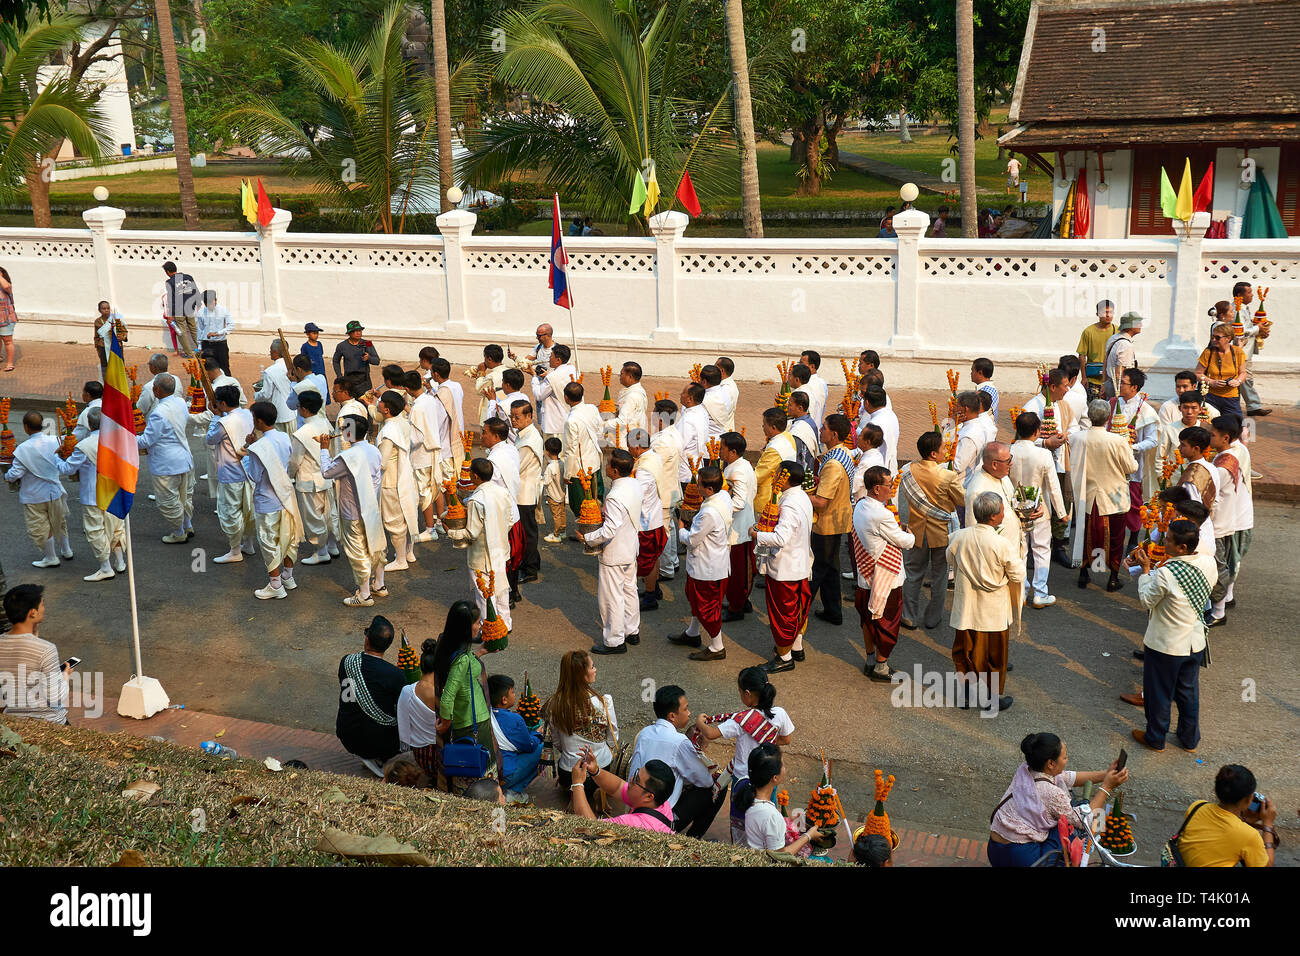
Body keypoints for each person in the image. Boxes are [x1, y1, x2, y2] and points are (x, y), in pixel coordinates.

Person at [1127, 519, 1214, 752]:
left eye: (1168, 540)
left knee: (1159, 694)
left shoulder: (1166, 572)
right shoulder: (1208, 562)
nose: (1164, 542)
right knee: (1188, 693)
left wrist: (1146, 572)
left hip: (1166, 644)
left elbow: (1146, 600)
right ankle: (1189, 739)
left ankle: (1156, 737)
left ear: (1182, 548)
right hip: (1194, 642)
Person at [988, 732, 1128, 866]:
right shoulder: (1051, 793)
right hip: (1022, 858)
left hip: (995, 850)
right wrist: (1107, 787)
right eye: (1065, 757)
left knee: (1063, 818)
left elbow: (1070, 777)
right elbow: (1084, 819)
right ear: (1050, 763)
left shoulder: (1027, 769)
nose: (1067, 760)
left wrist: (1106, 774)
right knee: (1071, 828)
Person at [694, 667, 795, 844]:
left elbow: (710, 734)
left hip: (743, 779)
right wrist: (767, 741)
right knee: (767, 814)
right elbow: (786, 739)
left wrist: (700, 722)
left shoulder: (740, 720)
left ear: (747, 694)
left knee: (741, 820)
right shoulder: (780, 714)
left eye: (740, 692)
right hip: (767, 778)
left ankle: (741, 848)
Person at [947, 491, 1024, 712]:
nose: (1003, 513)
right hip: (993, 614)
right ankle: (992, 699)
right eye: (1001, 510)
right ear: (993, 517)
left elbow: (950, 559)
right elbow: (1018, 576)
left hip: (966, 610)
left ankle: (965, 696)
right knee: (995, 658)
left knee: (964, 654)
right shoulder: (1002, 544)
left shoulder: (958, 537)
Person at [627, 684, 724, 837]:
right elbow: (705, 781)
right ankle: (693, 837)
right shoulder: (679, 742)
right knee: (719, 785)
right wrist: (700, 748)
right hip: (661, 818)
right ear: (672, 716)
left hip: (636, 806)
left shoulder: (645, 733)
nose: (689, 713)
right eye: (685, 709)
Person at [318, 412, 387, 606]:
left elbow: (326, 472)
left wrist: (324, 449)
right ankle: (379, 585)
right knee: (376, 545)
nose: (340, 432)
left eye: (342, 429)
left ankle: (364, 595)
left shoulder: (347, 456)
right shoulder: (374, 450)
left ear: (348, 433)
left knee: (358, 552)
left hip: (353, 511)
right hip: (372, 508)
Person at [1069, 399, 1138, 590]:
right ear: (1108, 418)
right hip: (1113, 496)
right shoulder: (1117, 441)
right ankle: (1113, 578)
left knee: (1085, 535)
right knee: (1115, 539)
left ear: (1089, 417)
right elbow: (1132, 467)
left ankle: (1084, 573)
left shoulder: (1076, 438)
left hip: (1087, 496)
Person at [854, 465, 915, 681]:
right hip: (886, 577)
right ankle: (881, 665)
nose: (892, 489)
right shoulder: (881, 514)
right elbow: (904, 541)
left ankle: (871, 659)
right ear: (877, 488)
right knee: (887, 623)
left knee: (867, 621)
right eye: (889, 486)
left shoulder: (860, 505)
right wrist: (911, 533)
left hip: (864, 574)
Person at [900, 431, 966, 630]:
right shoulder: (948, 475)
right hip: (941, 533)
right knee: (939, 577)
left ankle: (909, 616)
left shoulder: (908, 470)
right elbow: (963, 500)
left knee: (912, 574)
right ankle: (932, 618)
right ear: (933, 454)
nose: (946, 451)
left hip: (916, 531)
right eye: (942, 448)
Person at [431, 601, 498, 793]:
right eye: (477, 622)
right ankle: (483, 800)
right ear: (465, 627)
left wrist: (481, 652)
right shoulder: (461, 660)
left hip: (467, 721)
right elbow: (448, 697)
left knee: (467, 770)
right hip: (473, 724)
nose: (480, 626)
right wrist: (445, 722)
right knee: (482, 769)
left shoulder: (451, 648)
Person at [755, 462, 814, 672]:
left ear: (785, 478)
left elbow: (781, 537)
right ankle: (796, 647)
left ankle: (785, 657)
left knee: (783, 615)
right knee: (797, 610)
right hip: (799, 564)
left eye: (778, 473)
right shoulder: (802, 496)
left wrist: (756, 535)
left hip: (785, 568)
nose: (774, 475)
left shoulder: (789, 503)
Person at [56, 408, 127, 581]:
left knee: (95, 530)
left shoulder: (84, 446)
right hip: (114, 491)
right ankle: (120, 562)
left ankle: (105, 567)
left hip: (93, 494)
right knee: (116, 527)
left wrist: (57, 458)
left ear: (89, 424)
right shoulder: (118, 441)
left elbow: (68, 469)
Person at [670, 465, 732, 661]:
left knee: (707, 607)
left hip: (707, 568)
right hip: (712, 562)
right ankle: (693, 633)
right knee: (696, 599)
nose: (696, 487)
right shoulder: (724, 497)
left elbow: (693, 539)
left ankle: (717, 646)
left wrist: (680, 527)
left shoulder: (708, 513)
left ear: (709, 489)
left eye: (699, 484)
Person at [243, 401, 302, 600]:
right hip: (285, 496)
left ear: (258, 421)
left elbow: (254, 476)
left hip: (266, 500)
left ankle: (275, 584)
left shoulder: (258, 447)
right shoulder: (284, 436)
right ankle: (288, 576)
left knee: (269, 542)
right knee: (288, 537)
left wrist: (248, 450)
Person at [543, 649, 618, 808]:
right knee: (605, 761)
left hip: (569, 772)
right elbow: (613, 735)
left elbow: (557, 742)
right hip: (600, 769)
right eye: (592, 667)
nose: (595, 669)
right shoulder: (604, 701)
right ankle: (598, 790)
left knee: (570, 779)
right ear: (581, 675)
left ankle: (574, 792)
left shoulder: (554, 705)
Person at [447, 458, 515, 632]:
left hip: (482, 554)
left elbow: (471, 533)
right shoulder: (503, 493)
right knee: (500, 587)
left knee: (484, 592)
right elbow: (511, 520)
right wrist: (497, 532)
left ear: (475, 476)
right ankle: (505, 623)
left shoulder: (476, 500)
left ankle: (488, 626)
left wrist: (451, 532)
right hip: (500, 548)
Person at [584, 449, 641, 655]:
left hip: (615, 552)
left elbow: (609, 530)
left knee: (611, 597)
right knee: (629, 590)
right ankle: (632, 630)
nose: (606, 467)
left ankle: (615, 640)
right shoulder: (634, 484)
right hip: (630, 547)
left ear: (615, 471)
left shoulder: (615, 495)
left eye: (608, 464)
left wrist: (588, 538)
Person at [1022, 368, 1079, 568]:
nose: (1067, 390)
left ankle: (1058, 546)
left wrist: (1065, 436)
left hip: (1061, 462)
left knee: (1061, 502)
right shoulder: (1031, 407)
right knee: (1037, 505)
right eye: (1065, 386)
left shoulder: (1063, 405)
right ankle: (1030, 549)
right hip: (1038, 464)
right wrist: (1046, 443)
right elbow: (1024, 439)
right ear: (1052, 386)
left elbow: (1074, 428)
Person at [336, 615, 405, 776]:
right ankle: (381, 758)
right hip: (381, 743)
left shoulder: (346, 661)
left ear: (367, 640)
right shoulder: (394, 674)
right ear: (387, 646)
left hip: (347, 735)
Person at [1009, 413, 1066, 609]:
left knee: (1020, 551)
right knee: (1041, 549)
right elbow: (1053, 486)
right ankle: (1040, 592)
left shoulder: (1009, 452)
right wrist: (1062, 512)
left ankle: (1021, 591)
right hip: (1039, 509)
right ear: (1037, 432)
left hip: (1015, 508)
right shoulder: (1043, 454)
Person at [4, 411, 73, 567]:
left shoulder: (22, 449)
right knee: (59, 521)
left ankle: (51, 557)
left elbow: (15, 473)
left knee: (40, 526)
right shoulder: (56, 440)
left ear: (26, 428)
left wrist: (7, 476)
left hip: (34, 495)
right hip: (55, 491)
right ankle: (67, 550)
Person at [1176, 764, 1276, 867]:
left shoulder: (1197, 806)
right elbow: (1267, 865)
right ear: (1248, 799)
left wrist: (1244, 821)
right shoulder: (1249, 836)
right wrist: (1267, 824)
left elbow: (1215, 838)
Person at [136, 373, 195, 543]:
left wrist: (126, 438)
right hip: (183, 458)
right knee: (183, 496)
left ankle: (179, 532)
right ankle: (187, 525)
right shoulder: (181, 403)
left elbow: (146, 440)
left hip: (166, 464)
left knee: (168, 501)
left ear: (158, 390)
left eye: (154, 387)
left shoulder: (158, 413)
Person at [808, 414, 855, 625]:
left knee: (816, 569)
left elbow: (820, 501)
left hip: (826, 522)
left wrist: (797, 495)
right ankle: (833, 610)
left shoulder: (833, 464)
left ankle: (798, 609)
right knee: (830, 569)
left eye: (824, 428)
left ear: (834, 434)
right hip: (839, 519)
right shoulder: (843, 452)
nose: (820, 431)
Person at [735, 744, 825, 853]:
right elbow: (780, 856)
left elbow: (762, 825)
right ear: (775, 778)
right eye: (782, 765)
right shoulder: (770, 815)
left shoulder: (742, 786)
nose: (784, 768)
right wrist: (809, 835)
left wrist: (787, 822)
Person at [1206, 416, 1252, 627]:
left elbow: (1212, 494)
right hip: (1229, 518)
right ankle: (1223, 602)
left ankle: (1219, 610)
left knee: (1223, 567)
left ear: (1225, 438)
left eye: (1212, 434)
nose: (1209, 436)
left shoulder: (1226, 462)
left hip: (1230, 520)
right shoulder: (1225, 454)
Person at [0, 584, 70, 723]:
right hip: (49, 721)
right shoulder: (46, 649)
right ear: (32, 612)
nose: (44, 608)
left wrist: (33, 636)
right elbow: (55, 696)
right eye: (42, 604)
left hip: (13, 720)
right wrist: (65, 676)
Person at [569, 749, 677, 832]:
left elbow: (591, 828)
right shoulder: (662, 804)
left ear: (649, 796)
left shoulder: (632, 824)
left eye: (636, 779)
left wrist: (577, 784)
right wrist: (595, 771)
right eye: (636, 773)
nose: (630, 779)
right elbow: (618, 787)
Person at [1112, 367, 1159, 552]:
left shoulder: (1146, 411)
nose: (1120, 386)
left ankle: (1132, 537)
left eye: (1123, 383)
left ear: (1135, 387)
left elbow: (1153, 440)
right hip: (1113, 463)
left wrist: (1131, 447)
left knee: (1133, 503)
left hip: (1133, 464)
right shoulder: (1113, 403)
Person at [288, 389, 338, 566]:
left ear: (304, 409)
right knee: (329, 513)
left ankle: (321, 551)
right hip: (326, 475)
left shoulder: (302, 433)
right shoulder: (325, 423)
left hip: (309, 479)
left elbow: (295, 461)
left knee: (313, 517)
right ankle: (332, 546)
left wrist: (289, 476)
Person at [374, 390, 419, 572]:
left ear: (387, 409)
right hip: (405, 474)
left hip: (391, 481)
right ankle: (408, 552)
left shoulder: (388, 431)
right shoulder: (403, 422)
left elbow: (383, 462)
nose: (378, 403)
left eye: (381, 402)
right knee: (407, 513)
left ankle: (401, 559)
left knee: (394, 520)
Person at [481, 418, 524, 605]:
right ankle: (513, 592)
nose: (482, 436)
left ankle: (506, 598)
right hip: (513, 511)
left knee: (502, 558)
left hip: (501, 516)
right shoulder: (511, 449)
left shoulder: (492, 461)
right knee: (513, 556)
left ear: (496, 436)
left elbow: (488, 488)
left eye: (485, 432)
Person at [625, 428, 667, 611]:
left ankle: (650, 597)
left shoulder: (643, 469)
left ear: (637, 447)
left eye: (630, 446)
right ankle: (654, 588)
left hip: (646, 522)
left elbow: (636, 495)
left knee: (647, 561)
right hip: (655, 517)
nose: (628, 450)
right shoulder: (654, 457)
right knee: (654, 557)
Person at [489, 674, 543, 803]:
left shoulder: (484, 715)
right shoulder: (514, 719)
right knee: (541, 748)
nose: (515, 695)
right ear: (504, 700)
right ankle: (513, 791)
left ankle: (509, 791)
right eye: (512, 692)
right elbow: (529, 746)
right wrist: (537, 734)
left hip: (490, 776)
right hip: (504, 777)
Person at [719, 432, 756, 621]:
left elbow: (739, 502)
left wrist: (717, 507)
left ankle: (736, 607)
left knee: (737, 571)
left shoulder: (737, 471)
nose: (719, 451)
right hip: (742, 525)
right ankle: (742, 601)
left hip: (737, 529)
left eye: (722, 448)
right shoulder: (743, 465)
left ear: (732, 451)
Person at [397, 636, 445, 781]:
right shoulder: (445, 694)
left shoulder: (407, 691)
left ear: (421, 666)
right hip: (446, 755)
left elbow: (403, 725)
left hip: (421, 756)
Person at [405, 370, 443, 543]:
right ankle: (439, 522)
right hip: (434, 450)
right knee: (435, 488)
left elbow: (417, 437)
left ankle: (430, 528)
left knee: (425, 492)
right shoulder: (429, 399)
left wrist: (404, 442)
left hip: (422, 455)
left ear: (407, 388)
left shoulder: (418, 407)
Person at [562, 380, 605, 528]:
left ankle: (588, 531)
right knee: (596, 497)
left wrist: (567, 474)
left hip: (579, 468)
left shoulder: (571, 421)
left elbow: (571, 450)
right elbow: (600, 429)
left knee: (580, 503)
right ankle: (597, 526)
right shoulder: (592, 408)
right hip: (594, 461)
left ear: (566, 398)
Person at [651, 398, 685, 584]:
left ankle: (665, 569)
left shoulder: (663, 441)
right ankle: (672, 561)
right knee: (669, 528)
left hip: (663, 492)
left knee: (663, 531)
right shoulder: (672, 434)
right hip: (671, 489)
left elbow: (652, 466)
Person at [511, 400, 544, 582]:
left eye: (517, 417)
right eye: (512, 416)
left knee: (526, 533)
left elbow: (516, 468)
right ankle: (532, 562)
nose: (514, 420)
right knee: (527, 531)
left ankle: (530, 568)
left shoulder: (529, 440)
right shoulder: (524, 434)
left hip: (524, 492)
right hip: (524, 490)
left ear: (529, 416)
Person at [1195, 323, 1247, 422]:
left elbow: (1243, 373)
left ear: (1228, 338)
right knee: (1207, 424)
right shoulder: (1208, 352)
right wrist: (1211, 382)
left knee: (1236, 426)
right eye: (1212, 337)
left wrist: (1238, 381)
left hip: (1231, 397)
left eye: (1217, 337)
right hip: (1210, 396)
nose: (1213, 340)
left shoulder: (1238, 352)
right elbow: (1198, 373)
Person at [1231, 282, 1269, 418]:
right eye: (1249, 292)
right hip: (1241, 350)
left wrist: (1257, 327)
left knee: (1245, 378)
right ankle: (1253, 406)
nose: (1252, 295)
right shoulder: (1237, 309)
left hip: (1245, 350)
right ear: (1240, 295)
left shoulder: (1243, 308)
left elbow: (1245, 327)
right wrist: (1257, 328)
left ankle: (1252, 406)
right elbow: (1239, 333)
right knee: (1245, 378)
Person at [532, 342, 577, 439]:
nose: (549, 359)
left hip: (553, 425)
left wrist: (534, 377)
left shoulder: (552, 377)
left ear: (558, 360)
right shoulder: (572, 370)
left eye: (551, 356)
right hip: (569, 418)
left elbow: (539, 395)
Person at [254, 340, 296, 434]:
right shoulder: (292, 367)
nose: (270, 353)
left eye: (271, 350)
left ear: (275, 352)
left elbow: (265, 394)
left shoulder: (270, 371)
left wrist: (256, 394)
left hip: (280, 413)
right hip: (293, 413)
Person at [1077, 299, 1115, 398]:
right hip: (1093, 380)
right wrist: (1084, 377)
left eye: (1110, 312)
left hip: (1111, 380)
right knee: (1094, 410)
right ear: (1097, 313)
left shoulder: (1117, 331)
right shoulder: (1088, 332)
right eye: (1104, 312)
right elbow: (1082, 355)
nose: (1108, 315)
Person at [161, 261, 200, 354]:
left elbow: (170, 299)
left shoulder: (169, 282)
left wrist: (170, 315)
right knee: (194, 329)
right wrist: (197, 304)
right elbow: (195, 291)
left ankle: (188, 353)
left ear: (167, 272)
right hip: (190, 308)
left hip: (179, 311)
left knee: (181, 332)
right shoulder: (188, 277)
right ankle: (202, 348)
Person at [1102, 312, 1143, 399]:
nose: (1141, 325)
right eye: (1138, 323)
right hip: (1119, 388)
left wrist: (1104, 384)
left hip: (1109, 383)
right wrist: (1122, 395)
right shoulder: (1125, 345)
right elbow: (1119, 374)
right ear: (1130, 326)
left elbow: (1105, 362)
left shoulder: (1113, 338)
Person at [676, 381, 710, 482]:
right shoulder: (702, 412)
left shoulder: (688, 421)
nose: (680, 395)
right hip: (697, 465)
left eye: (683, 393)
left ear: (690, 399)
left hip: (685, 471)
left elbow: (678, 445)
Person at [195, 289, 233, 374]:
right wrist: (199, 347)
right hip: (206, 344)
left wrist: (217, 333)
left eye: (212, 303)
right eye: (207, 304)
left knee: (224, 368)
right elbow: (200, 330)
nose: (210, 306)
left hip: (220, 344)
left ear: (216, 300)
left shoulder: (223, 310)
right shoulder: (201, 313)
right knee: (207, 369)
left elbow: (231, 326)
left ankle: (227, 386)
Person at [331, 320, 380, 386]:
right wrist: (339, 375)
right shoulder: (341, 346)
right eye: (355, 331)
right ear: (349, 333)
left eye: (360, 330)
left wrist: (369, 358)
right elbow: (335, 361)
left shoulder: (367, 343)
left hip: (364, 380)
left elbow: (377, 361)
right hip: (348, 380)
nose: (358, 333)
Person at [610, 361, 649, 437]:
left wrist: (603, 424)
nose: (620, 376)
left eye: (622, 374)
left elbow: (622, 422)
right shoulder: (640, 391)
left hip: (629, 437)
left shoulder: (632, 396)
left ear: (630, 377)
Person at [92, 300, 126, 380]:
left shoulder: (116, 319)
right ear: (99, 310)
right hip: (103, 348)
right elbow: (97, 336)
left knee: (118, 367)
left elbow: (123, 331)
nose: (106, 310)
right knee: (106, 368)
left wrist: (123, 337)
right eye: (104, 308)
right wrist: (98, 347)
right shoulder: (98, 322)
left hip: (116, 347)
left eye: (108, 308)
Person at [541, 437, 566, 544]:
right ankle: (562, 531)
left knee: (556, 516)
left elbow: (546, 481)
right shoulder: (562, 463)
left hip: (553, 495)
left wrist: (540, 477)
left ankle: (556, 535)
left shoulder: (550, 467)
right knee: (562, 513)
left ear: (547, 451)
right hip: (561, 493)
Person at [699, 364, 732, 439]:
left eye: (700, 379)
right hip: (721, 438)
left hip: (707, 441)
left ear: (704, 382)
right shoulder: (726, 392)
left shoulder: (702, 399)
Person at [970, 357, 999, 422]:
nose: (971, 373)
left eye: (972, 371)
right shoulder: (991, 389)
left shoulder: (985, 393)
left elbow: (976, 416)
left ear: (980, 373)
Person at [0, 265, 16, 371]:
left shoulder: (7, 287)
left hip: (6, 318)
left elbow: (6, 287)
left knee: (7, 341)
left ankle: (10, 363)